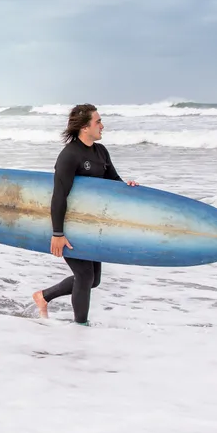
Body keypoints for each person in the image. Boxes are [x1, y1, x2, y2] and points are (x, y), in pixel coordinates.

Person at [32, 104, 137, 324]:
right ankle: (81, 327)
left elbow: (113, 181)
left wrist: (127, 186)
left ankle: (43, 296)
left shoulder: (100, 151)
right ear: (84, 127)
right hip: (71, 225)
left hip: (91, 226)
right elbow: (59, 196)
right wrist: (58, 233)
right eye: (98, 121)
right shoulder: (69, 156)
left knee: (94, 280)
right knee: (85, 276)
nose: (102, 125)